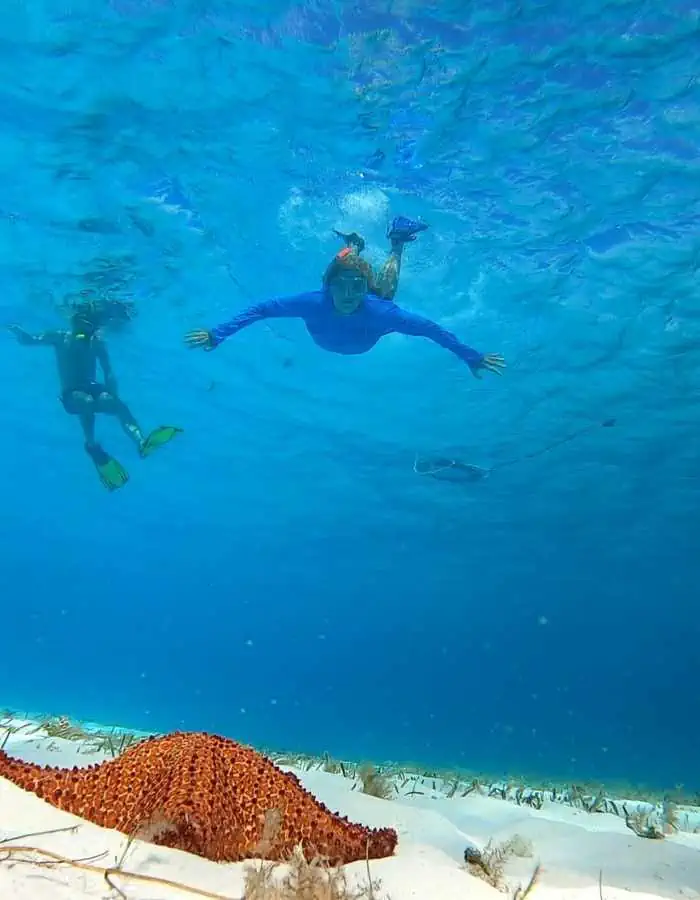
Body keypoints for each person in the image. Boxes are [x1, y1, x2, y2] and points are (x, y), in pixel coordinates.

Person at [184, 216, 506, 379]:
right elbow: (262, 309)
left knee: (386, 288)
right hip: (338, 304)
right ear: (328, 287)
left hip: (366, 312)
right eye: (343, 287)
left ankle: (396, 239)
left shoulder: (380, 311)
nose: (351, 295)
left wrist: (471, 356)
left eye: (358, 288)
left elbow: (432, 330)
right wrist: (217, 334)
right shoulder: (314, 301)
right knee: (349, 266)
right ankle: (353, 245)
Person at [8, 305, 182, 492]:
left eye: (88, 326)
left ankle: (140, 442)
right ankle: (91, 445)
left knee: (116, 403)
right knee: (86, 402)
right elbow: (31, 340)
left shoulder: (96, 343)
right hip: (71, 393)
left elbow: (108, 371)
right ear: (72, 323)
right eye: (81, 325)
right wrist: (18, 332)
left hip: (92, 388)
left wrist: (113, 394)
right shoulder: (59, 337)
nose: (84, 331)